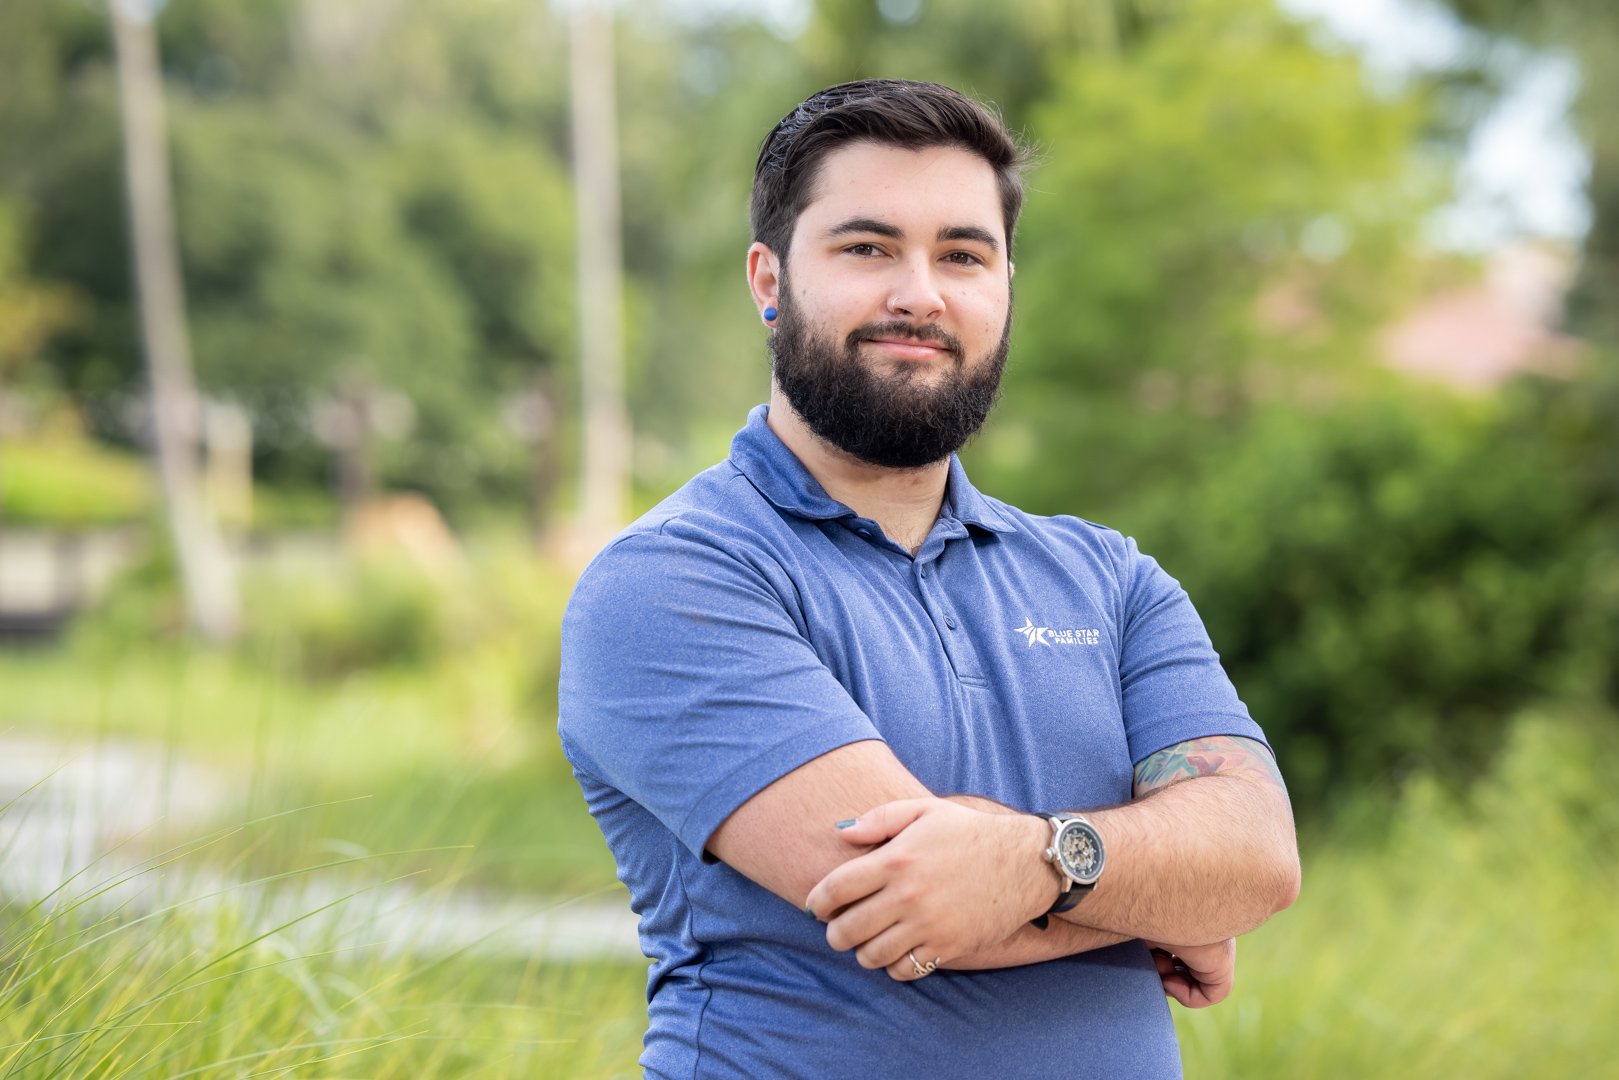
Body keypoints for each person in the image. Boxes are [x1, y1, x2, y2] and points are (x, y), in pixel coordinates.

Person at [558, 78, 1300, 1079]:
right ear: (767, 281)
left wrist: (1046, 862)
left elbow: (1258, 855)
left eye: (962, 254)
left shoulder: (1107, 578)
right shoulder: (669, 580)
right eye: (866, 248)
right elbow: (915, 903)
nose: (920, 292)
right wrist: (1160, 897)